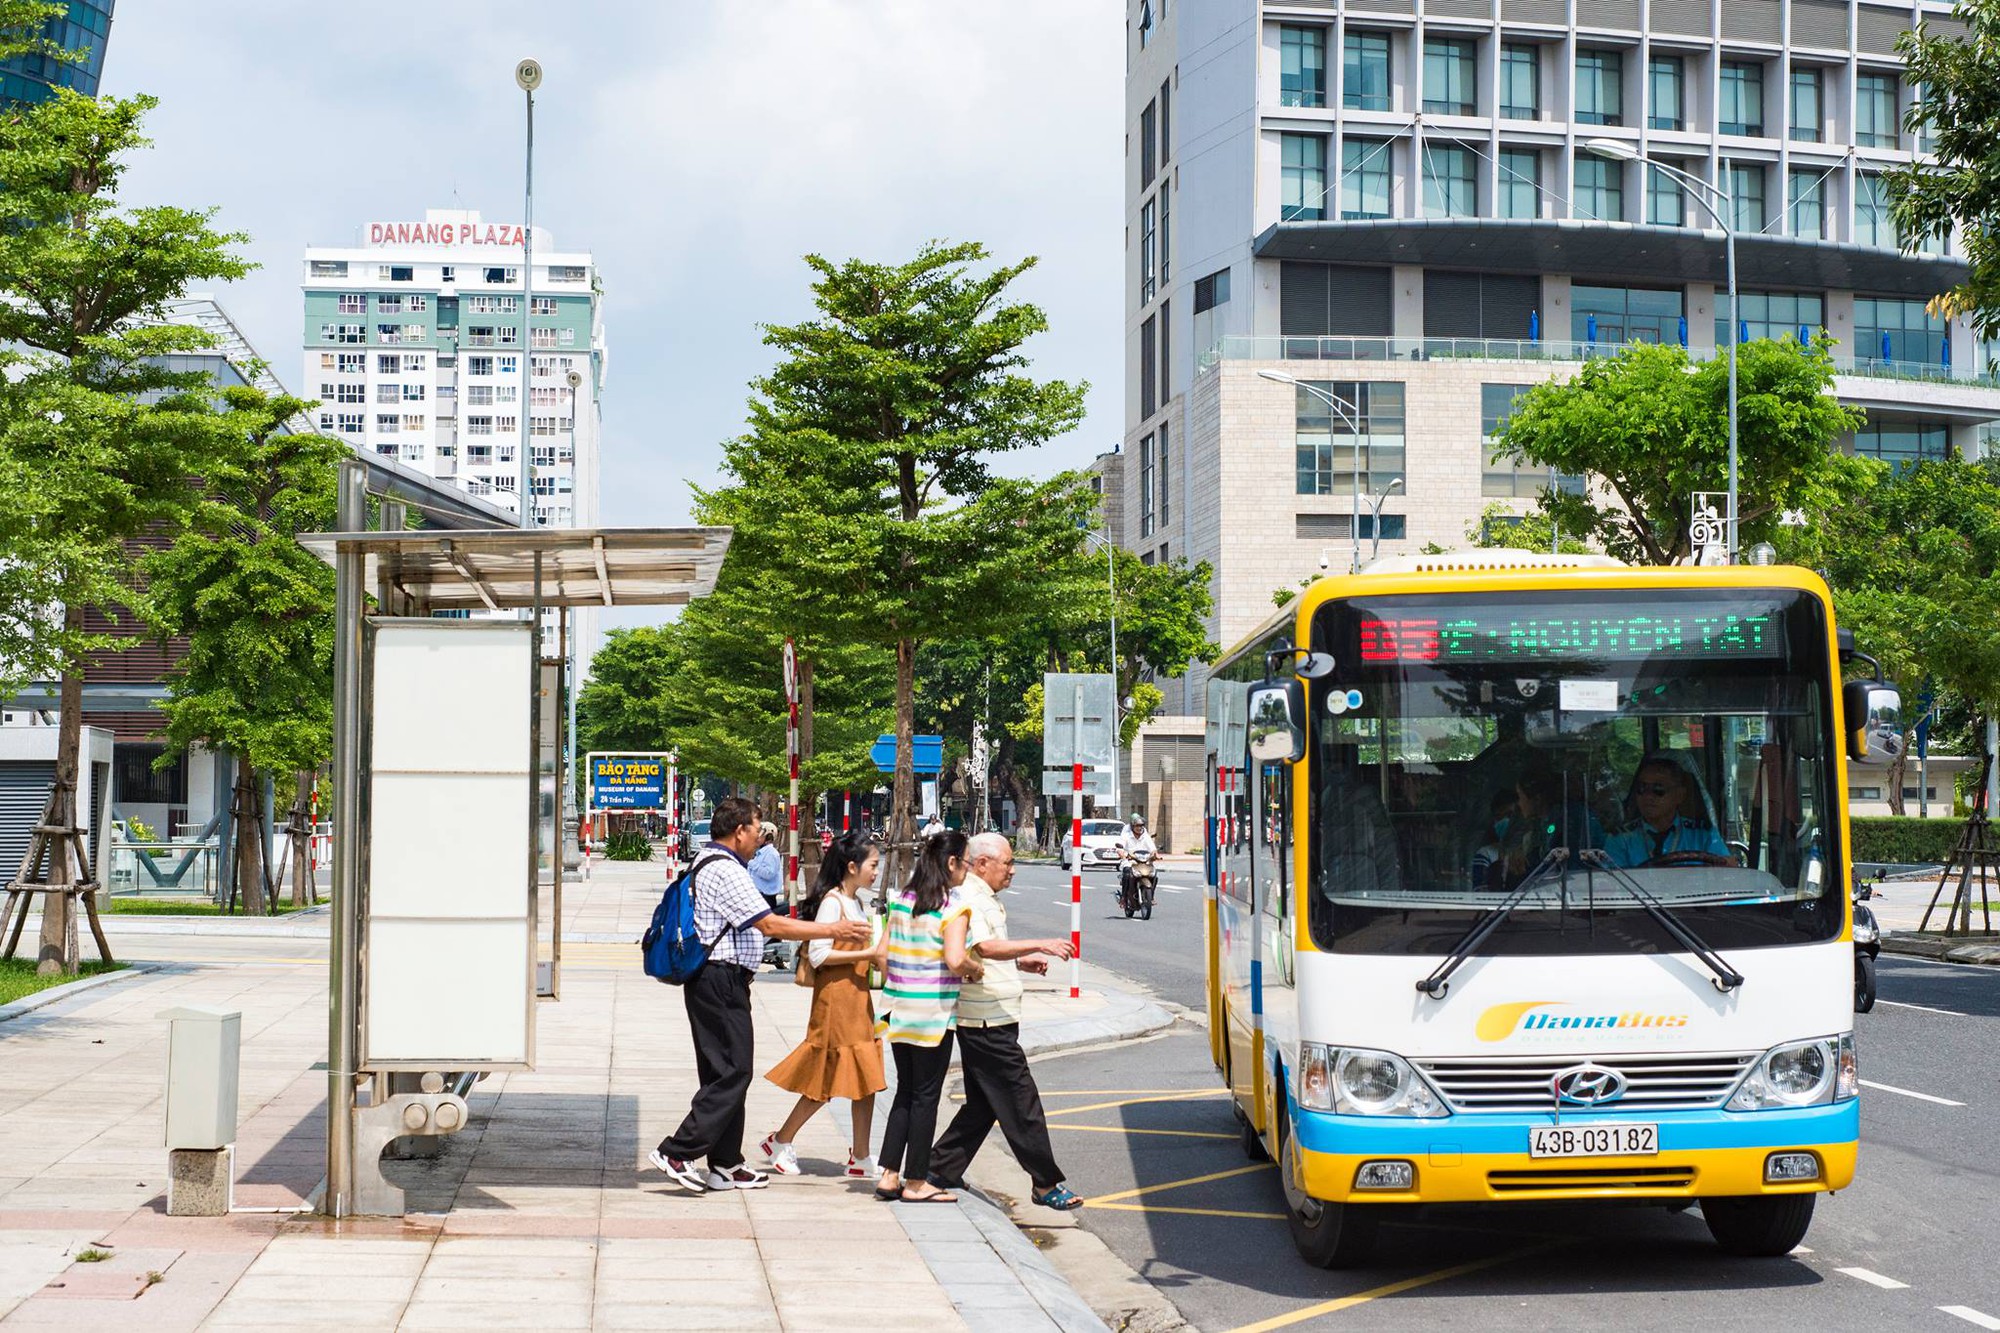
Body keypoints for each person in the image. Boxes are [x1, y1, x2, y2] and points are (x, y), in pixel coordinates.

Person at [649, 797, 872, 1194]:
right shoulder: (726, 869)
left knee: (724, 1072)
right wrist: (832, 931)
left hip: (718, 981)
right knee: (735, 1072)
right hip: (720, 981)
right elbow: (769, 924)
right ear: (740, 832)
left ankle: (726, 1164)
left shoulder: (708, 862)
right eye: (756, 829)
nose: (760, 837)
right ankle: (677, 1152)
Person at [927, 833, 1083, 1210]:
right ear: (982, 864)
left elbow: (986, 950)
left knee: (984, 1105)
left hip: (993, 1015)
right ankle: (1045, 1184)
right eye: (1007, 863)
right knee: (1020, 1100)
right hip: (985, 1020)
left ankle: (940, 1168)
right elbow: (982, 947)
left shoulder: (983, 897)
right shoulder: (969, 897)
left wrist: (1020, 961)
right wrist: (1039, 944)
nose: (1012, 870)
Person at [759, 832, 890, 1178]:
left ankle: (861, 1157)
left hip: (857, 1000)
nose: (876, 872)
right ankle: (781, 1139)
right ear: (852, 866)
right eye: (873, 865)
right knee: (824, 1081)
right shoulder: (833, 903)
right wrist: (869, 954)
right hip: (835, 1002)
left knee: (867, 1079)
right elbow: (818, 955)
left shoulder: (856, 903)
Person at [876, 828, 982, 1203]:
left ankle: (889, 1174)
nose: (967, 870)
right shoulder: (952, 908)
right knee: (925, 1097)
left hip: (896, 1011)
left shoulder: (903, 900)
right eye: (966, 863)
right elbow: (955, 959)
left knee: (905, 1090)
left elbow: (881, 955)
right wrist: (974, 968)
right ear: (951, 863)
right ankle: (917, 1181)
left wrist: (904, 979)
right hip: (933, 1014)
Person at [1605, 756, 1734, 868]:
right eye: (1642, 788)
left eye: (1658, 789)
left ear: (1679, 795)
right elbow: (1613, 888)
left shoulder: (1704, 835)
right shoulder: (1620, 839)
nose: (1648, 796)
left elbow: (1727, 874)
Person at [749, 822, 794, 970]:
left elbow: (769, 874)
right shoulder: (760, 853)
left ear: (767, 836)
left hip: (766, 897)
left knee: (765, 927)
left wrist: (752, 864)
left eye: (760, 834)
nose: (757, 837)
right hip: (757, 896)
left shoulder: (771, 853)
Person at [1116, 813, 1157, 903]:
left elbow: (1152, 848)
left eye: (1141, 825)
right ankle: (1123, 898)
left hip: (1143, 861)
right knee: (1127, 873)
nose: (1139, 828)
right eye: (1137, 826)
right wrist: (1122, 854)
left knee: (1154, 874)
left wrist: (1154, 855)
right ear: (1132, 826)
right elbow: (1120, 847)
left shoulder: (1145, 837)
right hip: (1130, 861)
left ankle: (1151, 896)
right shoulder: (1126, 836)